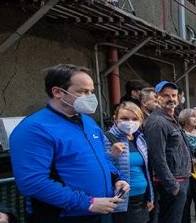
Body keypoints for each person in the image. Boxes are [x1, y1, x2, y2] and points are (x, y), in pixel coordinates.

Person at [10, 64, 129, 222]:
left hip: (99, 211)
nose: (90, 97)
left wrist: (116, 178)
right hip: (63, 216)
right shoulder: (35, 128)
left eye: (91, 91)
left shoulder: (88, 123)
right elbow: (32, 182)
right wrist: (87, 203)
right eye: (83, 91)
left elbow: (101, 158)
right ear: (58, 91)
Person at [142, 81, 192, 223]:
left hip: (181, 179)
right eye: (166, 95)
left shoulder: (170, 117)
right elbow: (157, 157)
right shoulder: (158, 122)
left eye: (174, 95)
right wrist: (173, 186)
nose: (171, 98)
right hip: (172, 183)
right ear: (157, 97)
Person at [106, 102, 154, 223]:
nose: (130, 122)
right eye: (124, 118)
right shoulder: (107, 139)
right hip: (123, 199)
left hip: (142, 198)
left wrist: (150, 196)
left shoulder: (140, 139)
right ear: (115, 119)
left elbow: (146, 170)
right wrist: (111, 154)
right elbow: (101, 165)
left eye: (134, 119)